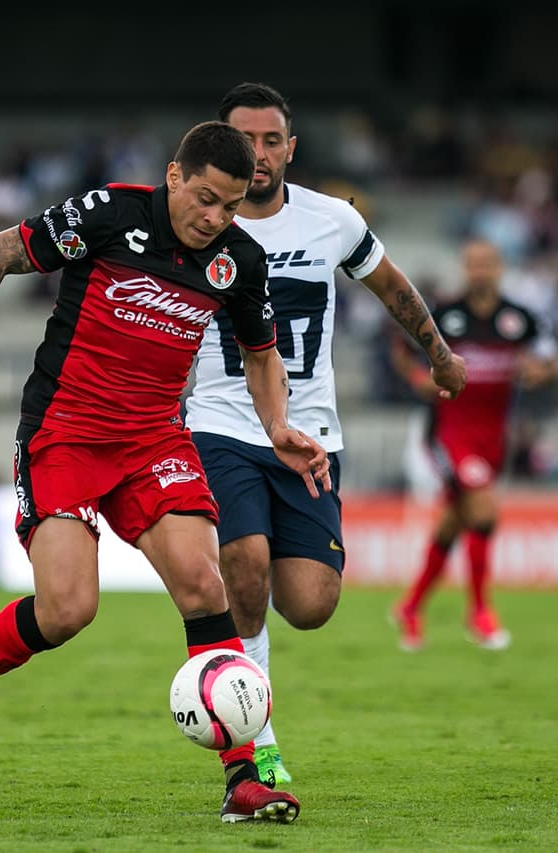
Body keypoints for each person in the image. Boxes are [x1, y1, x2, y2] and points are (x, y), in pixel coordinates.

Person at [0, 121, 331, 824]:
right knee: (68, 609)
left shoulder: (238, 260)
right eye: (203, 199)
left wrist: (277, 424)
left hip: (153, 439)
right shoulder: (108, 215)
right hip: (66, 433)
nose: (214, 218)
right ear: (173, 176)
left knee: (204, 582)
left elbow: (262, 354)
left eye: (229, 206)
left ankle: (243, 778)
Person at [184, 83, 467, 787]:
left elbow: (392, 285)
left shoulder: (332, 220)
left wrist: (436, 350)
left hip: (311, 435)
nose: (256, 154)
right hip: (223, 424)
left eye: (270, 139)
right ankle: (258, 736)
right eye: (243, 139)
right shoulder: (192, 224)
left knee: (310, 604)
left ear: (290, 147)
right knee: (242, 561)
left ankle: (244, 662)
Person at [391, 239, 558, 651]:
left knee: (455, 520)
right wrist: (418, 380)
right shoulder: (445, 316)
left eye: (487, 264)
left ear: (499, 268)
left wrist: (540, 372)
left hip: (493, 438)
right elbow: (400, 348)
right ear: (464, 270)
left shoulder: (520, 319)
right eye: (472, 265)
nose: (480, 272)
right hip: (449, 433)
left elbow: (551, 361)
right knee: (483, 512)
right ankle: (480, 613)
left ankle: (411, 607)